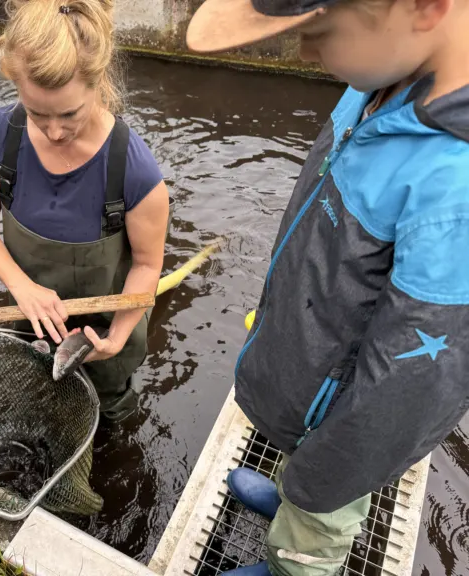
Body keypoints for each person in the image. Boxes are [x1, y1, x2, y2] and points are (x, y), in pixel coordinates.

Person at [185, 0, 469, 574]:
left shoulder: (454, 196)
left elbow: (408, 393)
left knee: (320, 517)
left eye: (318, 31)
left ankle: (296, 557)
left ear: (423, 9)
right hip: (315, 383)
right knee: (305, 469)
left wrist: (327, 477)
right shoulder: (382, 81)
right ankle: (296, 491)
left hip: (348, 428)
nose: (305, 52)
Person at [0, 0, 171, 422]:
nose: (55, 131)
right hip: (32, 323)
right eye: (37, 113)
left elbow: (148, 266)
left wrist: (115, 338)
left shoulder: (134, 172)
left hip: (102, 335)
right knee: (38, 402)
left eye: (70, 114)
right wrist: (22, 288)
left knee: (110, 415)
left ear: (97, 83)